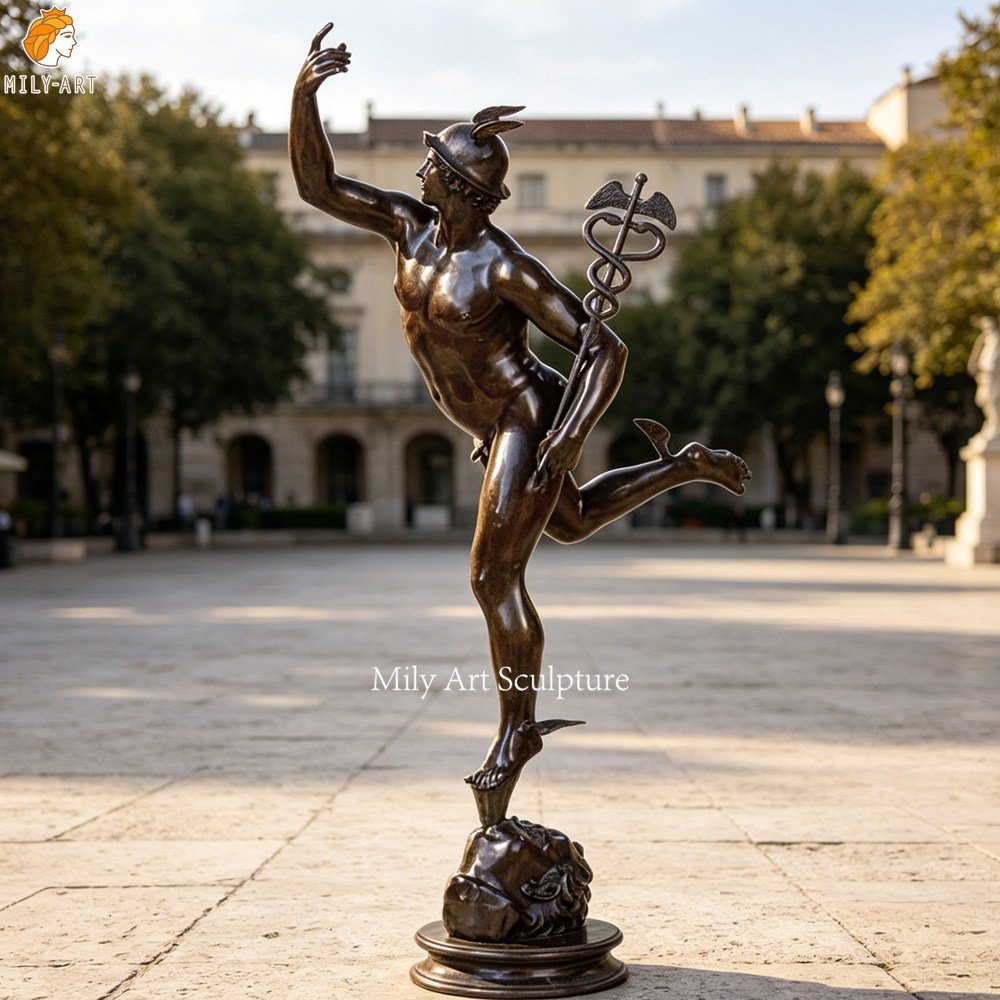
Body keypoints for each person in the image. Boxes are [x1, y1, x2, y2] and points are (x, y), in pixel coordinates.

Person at [290, 25, 751, 810]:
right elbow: (319, 186)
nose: (419, 173)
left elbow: (605, 349)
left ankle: (516, 733)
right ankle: (681, 464)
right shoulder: (408, 227)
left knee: (490, 574)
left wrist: (565, 438)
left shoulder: (506, 265)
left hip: (522, 415)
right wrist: (304, 98)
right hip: (485, 427)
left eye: (433, 168)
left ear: (465, 189)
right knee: (568, 524)